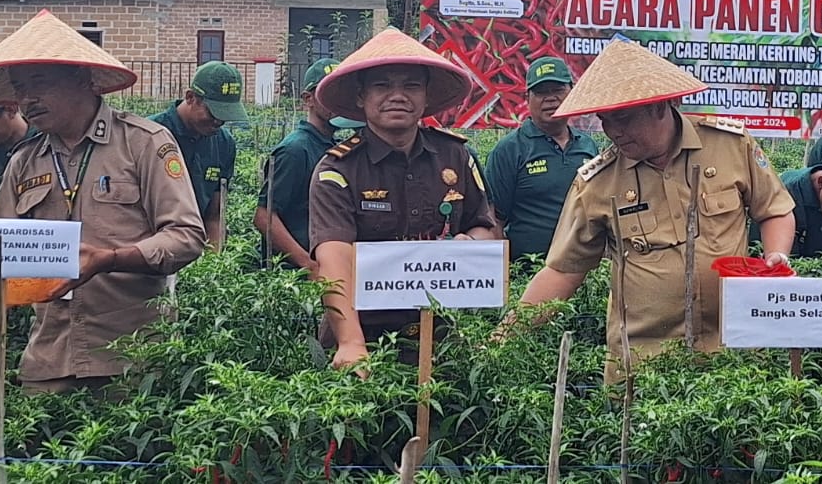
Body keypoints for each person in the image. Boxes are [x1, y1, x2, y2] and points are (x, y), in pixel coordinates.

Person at [512, 40, 796, 382]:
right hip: (644, 369)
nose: (613, 131)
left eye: (624, 118)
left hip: (732, 357)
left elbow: (774, 209)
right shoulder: (597, 182)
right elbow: (563, 271)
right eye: (605, 120)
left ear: (661, 106)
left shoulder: (730, 145)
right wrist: (502, 341)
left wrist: (776, 254)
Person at [0, 10, 206, 392]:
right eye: (19, 88)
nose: (26, 99)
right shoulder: (24, 162)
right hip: (48, 360)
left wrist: (111, 258)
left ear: (85, 80)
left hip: (133, 359)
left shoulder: (143, 143)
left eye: (39, 82)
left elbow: (186, 236)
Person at [309, 28, 498, 377]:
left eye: (411, 86)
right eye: (382, 86)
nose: (397, 96)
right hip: (365, 333)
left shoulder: (455, 155)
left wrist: (467, 244)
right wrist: (352, 344)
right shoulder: (337, 169)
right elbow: (333, 260)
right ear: (361, 97)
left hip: (442, 335)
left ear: (426, 97)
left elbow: (486, 227)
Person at [484, 57, 599, 259]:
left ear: (572, 92)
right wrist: (504, 275)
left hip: (585, 272)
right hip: (527, 274)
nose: (550, 98)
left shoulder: (588, 147)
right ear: (527, 98)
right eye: (541, 92)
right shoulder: (510, 150)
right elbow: (494, 220)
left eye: (558, 90)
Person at [252, 58, 355, 272]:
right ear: (308, 99)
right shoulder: (295, 150)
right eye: (327, 93)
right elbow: (264, 216)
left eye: (341, 93)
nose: (336, 101)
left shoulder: (336, 147)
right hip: (295, 276)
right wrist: (308, 264)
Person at [151, 61, 246, 250]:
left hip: (195, 247)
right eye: (213, 113)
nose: (219, 121)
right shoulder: (150, 135)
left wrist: (214, 261)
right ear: (190, 97)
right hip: (151, 246)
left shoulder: (224, 144)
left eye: (225, 115)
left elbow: (214, 215)